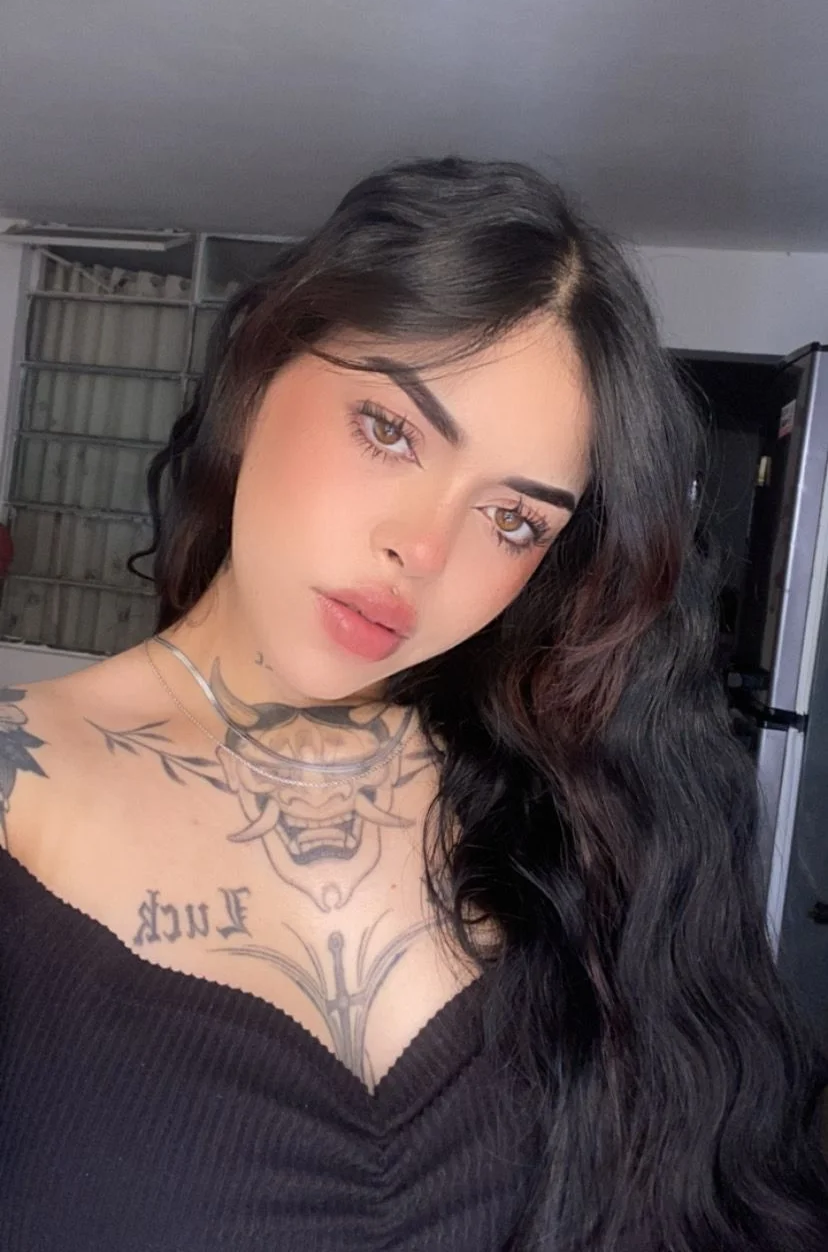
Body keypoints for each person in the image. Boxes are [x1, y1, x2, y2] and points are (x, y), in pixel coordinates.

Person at [0, 157, 825, 1251]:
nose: (423, 551)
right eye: (392, 429)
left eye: (514, 519)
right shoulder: (20, 789)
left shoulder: (592, 814)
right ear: (261, 373)